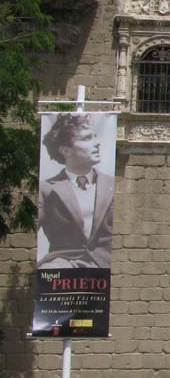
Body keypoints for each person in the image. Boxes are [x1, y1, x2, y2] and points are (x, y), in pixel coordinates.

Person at [37, 112, 114, 269]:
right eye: (87, 138)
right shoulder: (47, 188)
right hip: (64, 264)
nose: (97, 143)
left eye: (95, 136)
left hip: (105, 266)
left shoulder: (112, 185)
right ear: (65, 151)